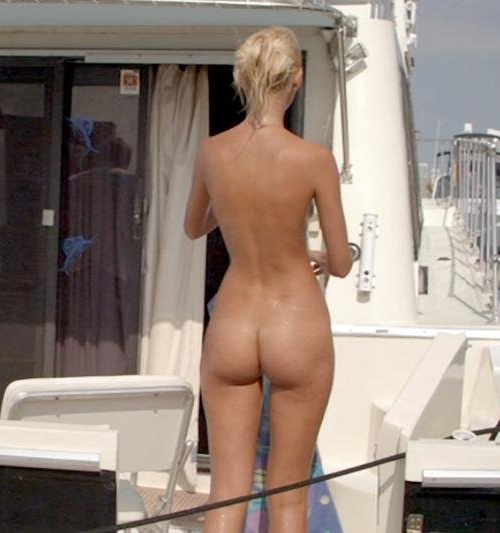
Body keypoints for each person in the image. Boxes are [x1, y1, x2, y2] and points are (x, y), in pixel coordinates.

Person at [183, 27, 352, 533]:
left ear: (242, 79)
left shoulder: (213, 151)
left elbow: (194, 226)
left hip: (234, 323)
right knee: (288, 496)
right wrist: (319, 254)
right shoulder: (314, 159)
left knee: (226, 492)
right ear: (296, 78)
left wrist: (236, 205)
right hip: (294, 322)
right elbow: (341, 263)